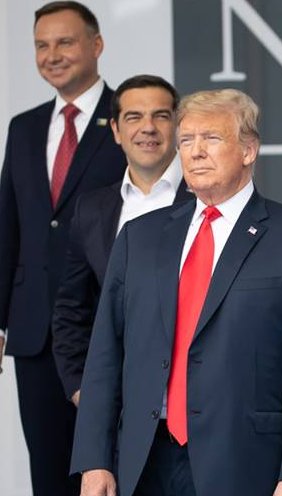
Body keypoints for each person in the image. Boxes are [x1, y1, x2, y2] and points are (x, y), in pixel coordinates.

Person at [71, 88, 282, 496]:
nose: (195, 152)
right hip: (142, 464)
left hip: (245, 466)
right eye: (186, 141)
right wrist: (94, 459)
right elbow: (105, 354)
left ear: (249, 149)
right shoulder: (139, 238)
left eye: (212, 139)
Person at [0, 2, 125, 496]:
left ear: (96, 45)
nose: (52, 55)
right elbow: (10, 227)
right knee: (50, 482)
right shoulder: (24, 127)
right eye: (41, 45)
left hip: (108, 329)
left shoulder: (131, 117)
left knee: (114, 479)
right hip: (34, 335)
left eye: (65, 42)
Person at [52, 74, 192, 407]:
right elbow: (72, 309)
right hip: (117, 404)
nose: (148, 128)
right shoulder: (91, 209)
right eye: (134, 117)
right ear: (116, 130)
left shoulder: (209, 199)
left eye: (161, 116)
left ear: (178, 126)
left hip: (195, 406)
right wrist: (81, 389)